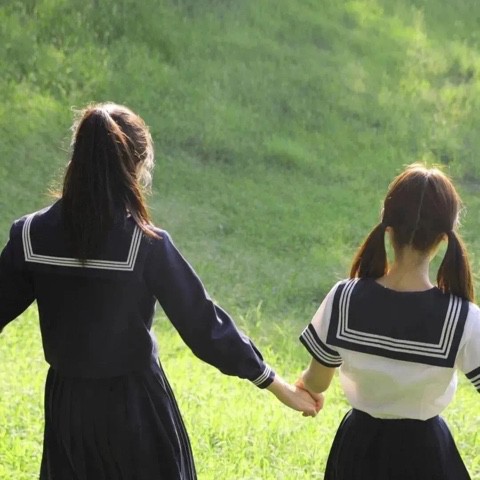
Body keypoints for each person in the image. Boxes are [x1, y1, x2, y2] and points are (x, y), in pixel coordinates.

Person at [0, 103, 321, 480]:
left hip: (68, 410)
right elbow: (204, 326)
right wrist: (276, 384)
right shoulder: (145, 244)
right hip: (136, 410)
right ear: (137, 167)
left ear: (78, 157)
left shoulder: (30, 235)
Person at [296, 164, 480, 480]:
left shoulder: (344, 298)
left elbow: (317, 381)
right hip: (426, 455)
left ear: (388, 225)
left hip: (357, 450)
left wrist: (304, 387)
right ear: (443, 237)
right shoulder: (462, 317)